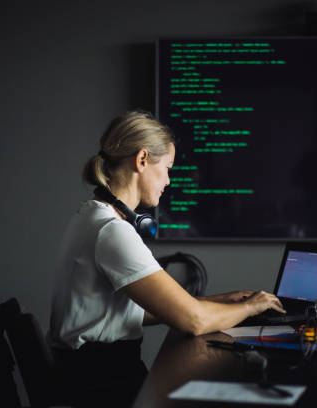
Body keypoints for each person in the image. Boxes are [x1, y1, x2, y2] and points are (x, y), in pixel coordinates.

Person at [48, 110, 285, 406]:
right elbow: (193, 322)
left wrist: (223, 300)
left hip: (86, 377)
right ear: (142, 159)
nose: (169, 181)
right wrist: (252, 307)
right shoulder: (112, 231)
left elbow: (133, 313)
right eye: (168, 168)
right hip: (102, 386)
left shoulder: (92, 216)